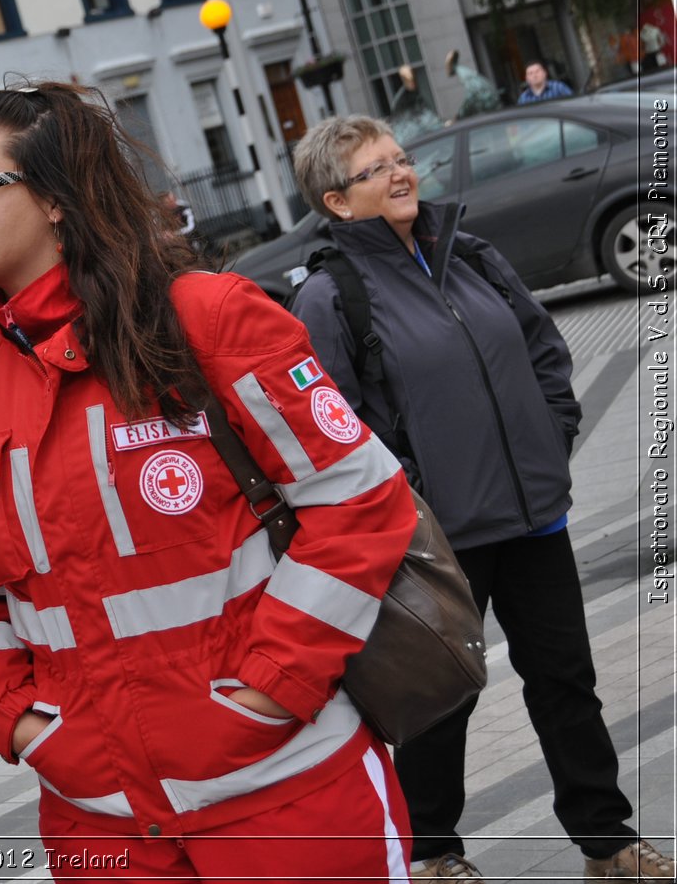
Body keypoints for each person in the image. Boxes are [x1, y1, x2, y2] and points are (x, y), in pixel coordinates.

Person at [0, 81, 419, 881]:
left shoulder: (211, 317)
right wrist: (15, 717)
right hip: (104, 829)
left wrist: (269, 688)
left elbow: (362, 500)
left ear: (59, 199)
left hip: (285, 798)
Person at [288, 115, 673, 882]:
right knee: (438, 697)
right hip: (435, 535)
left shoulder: (470, 254)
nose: (402, 173)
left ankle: (606, 841)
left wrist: (552, 432)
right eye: (377, 168)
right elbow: (331, 426)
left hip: (533, 514)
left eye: (402, 159)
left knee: (567, 679)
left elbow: (542, 348)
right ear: (336, 201)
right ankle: (433, 851)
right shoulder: (331, 298)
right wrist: (409, 493)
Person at [388, 64, 442, 144]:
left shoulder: (416, 93)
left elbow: (425, 110)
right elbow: (401, 119)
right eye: (408, 79)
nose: (412, 82)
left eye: (413, 78)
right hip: (410, 134)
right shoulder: (402, 99)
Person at [443, 50, 501, 119]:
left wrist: (460, 113)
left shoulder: (463, 73)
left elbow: (471, 94)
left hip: (489, 105)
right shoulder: (464, 72)